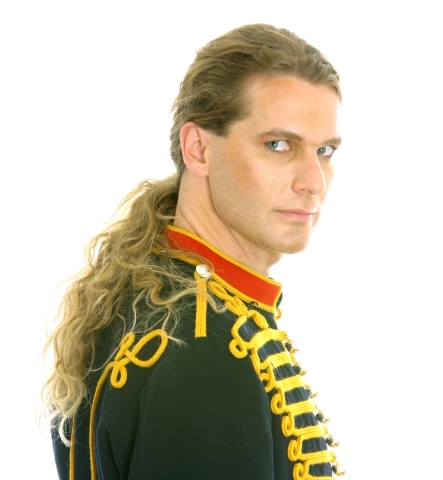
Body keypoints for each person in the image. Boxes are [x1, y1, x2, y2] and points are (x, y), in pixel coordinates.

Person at [43, 23, 345, 480]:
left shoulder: (156, 289)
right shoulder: (204, 350)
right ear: (198, 148)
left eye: (324, 150)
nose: (314, 182)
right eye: (279, 145)